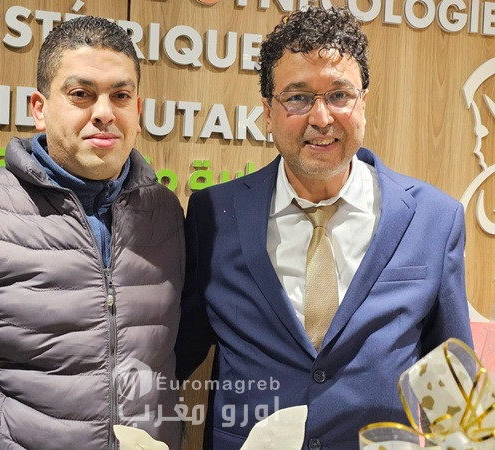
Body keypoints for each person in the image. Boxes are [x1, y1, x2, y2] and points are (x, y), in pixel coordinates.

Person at [175, 6, 472, 450]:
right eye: (297, 97)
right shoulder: (213, 214)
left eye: (339, 95)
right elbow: (176, 354)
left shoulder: (434, 218)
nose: (321, 118)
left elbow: (453, 385)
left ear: (363, 103)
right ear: (268, 112)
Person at [0, 16, 185, 450]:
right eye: (81, 94)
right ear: (39, 108)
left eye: (120, 96)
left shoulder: (164, 214)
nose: (104, 113)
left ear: (137, 111)